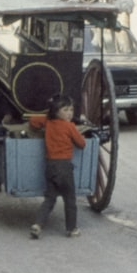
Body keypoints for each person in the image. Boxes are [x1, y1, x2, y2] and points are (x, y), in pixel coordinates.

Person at [29, 94, 86, 239]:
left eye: (71, 110)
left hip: (50, 166)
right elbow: (81, 144)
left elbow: (33, 122)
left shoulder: (48, 122)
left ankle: (38, 224)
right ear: (56, 111)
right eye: (65, 110)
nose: (70, 113)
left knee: (49, 198)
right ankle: (72, 229)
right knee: (70, 199)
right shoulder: (70, 126)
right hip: (64, 167)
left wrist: (46, 119)